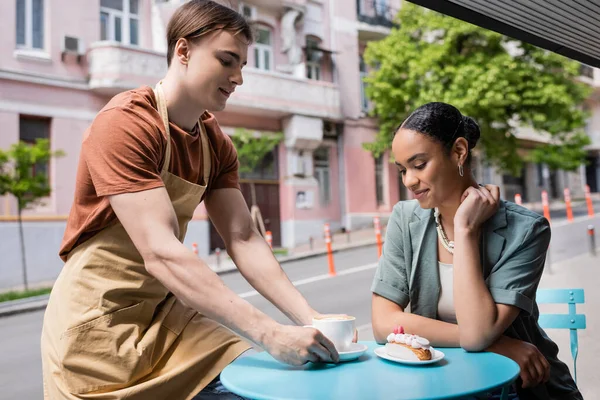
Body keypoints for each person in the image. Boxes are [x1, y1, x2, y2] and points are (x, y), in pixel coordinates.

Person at [41, 2, 346, 399]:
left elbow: (243, 237)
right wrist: (270, 333)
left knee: (258, 389)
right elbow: (162, 252)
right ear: (183, 51)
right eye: (227, 60)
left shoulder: (216, 144)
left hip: (166, 316)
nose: (238, 77)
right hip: (94, 324)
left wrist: (310, 317)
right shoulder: (125, 123)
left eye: (243, 66)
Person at [371, 102, 582, 399]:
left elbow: (477, 333)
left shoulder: (527, 229)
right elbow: (382, 324)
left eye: (419, 165)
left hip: (520, 387)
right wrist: (499, 344)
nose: (409, 181)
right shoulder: (406, 219)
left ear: (459, 151)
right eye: (403, 169)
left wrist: (466, 229)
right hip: (446, 383)